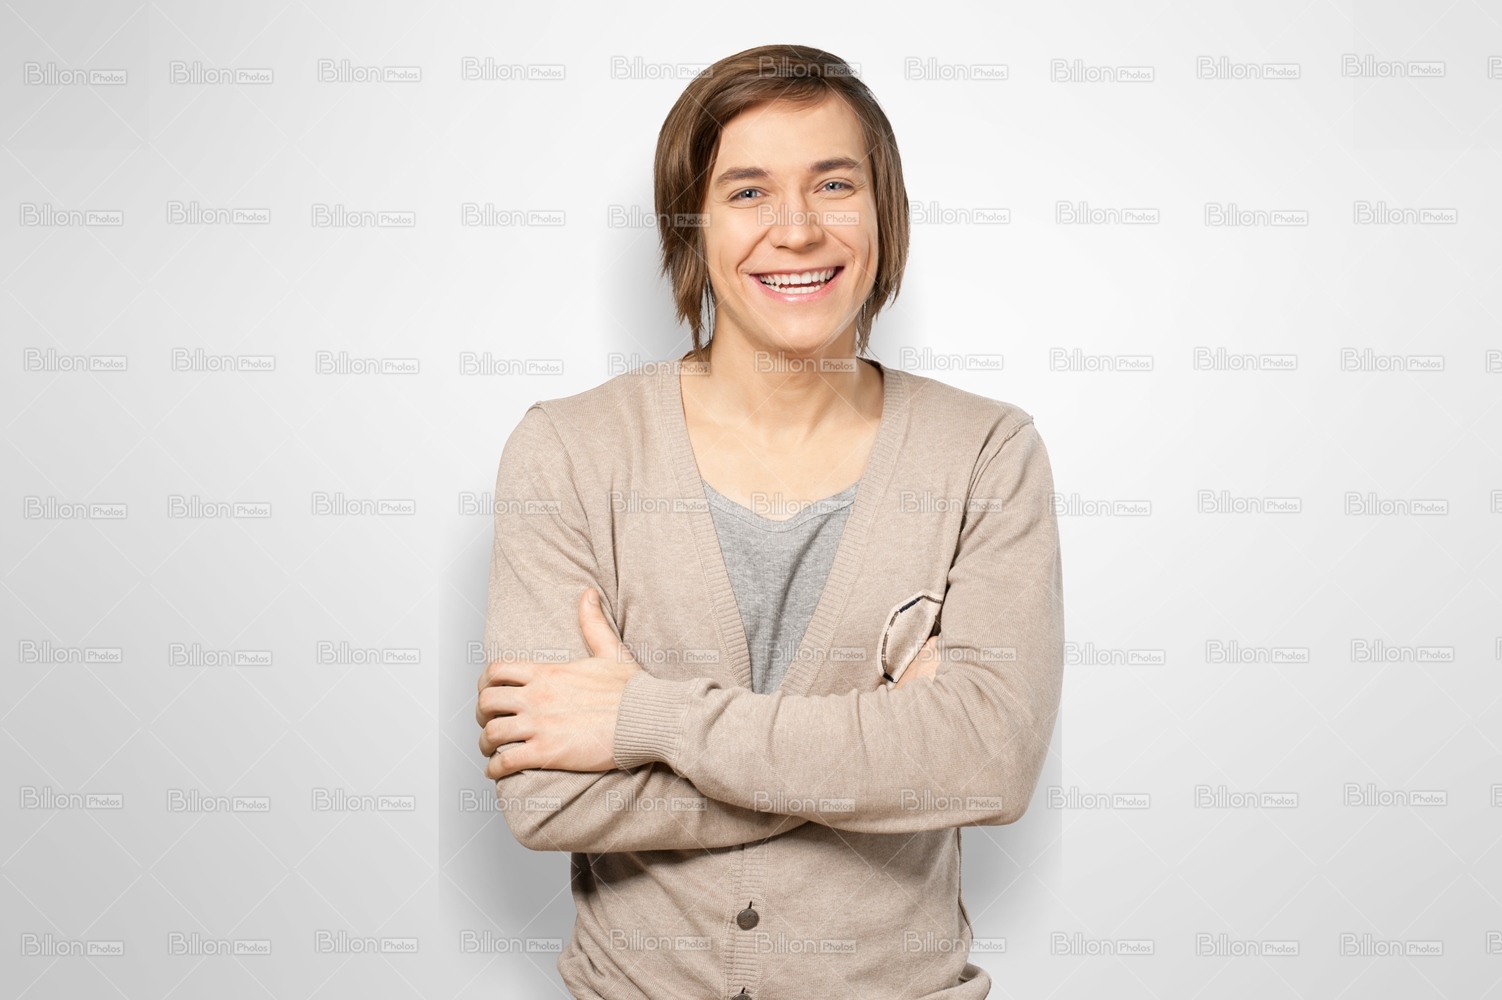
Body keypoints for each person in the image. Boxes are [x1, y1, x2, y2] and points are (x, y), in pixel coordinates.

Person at [475, 43, 1064, 1000]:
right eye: (748, 192)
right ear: (692, 226)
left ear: (884, 212)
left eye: (834, 185)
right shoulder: (569, 452)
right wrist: (886, 753)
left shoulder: (986, 455)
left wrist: (644, 718)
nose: (797, 231)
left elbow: (989, 765)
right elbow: (546, 797)